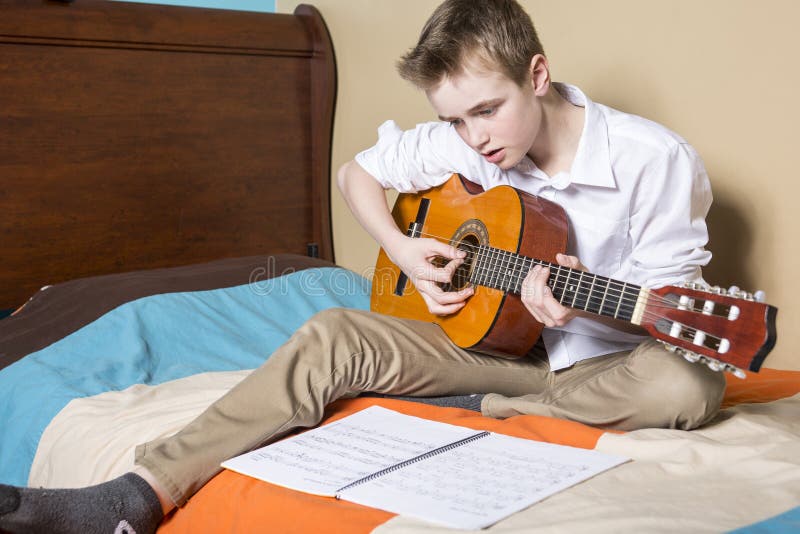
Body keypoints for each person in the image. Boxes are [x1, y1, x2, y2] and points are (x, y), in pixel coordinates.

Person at [0, 1, 727, 533]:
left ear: (537, 73)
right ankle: (135, 493)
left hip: (605, 366)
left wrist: (580, 307)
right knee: (333, 334)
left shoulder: (651, 159)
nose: (474, 139)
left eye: (486, 110)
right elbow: (356, 174)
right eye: (453, 121)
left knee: (691, 382)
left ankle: (477, 412)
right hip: (500, 350)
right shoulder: (468, 143)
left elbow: (675, 304)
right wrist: (404, 248)